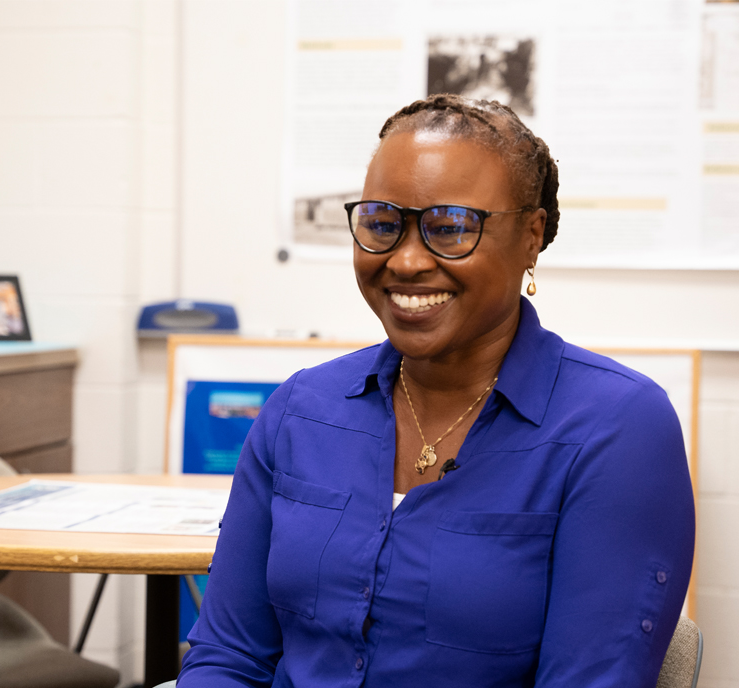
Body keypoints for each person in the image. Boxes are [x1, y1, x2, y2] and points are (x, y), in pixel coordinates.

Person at [176, 94, 696, 687]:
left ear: (532, 236)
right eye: (381, 224)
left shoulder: (617, 427)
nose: (405, 261)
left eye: (450, 228)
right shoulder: (302, 411)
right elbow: (229, 657)